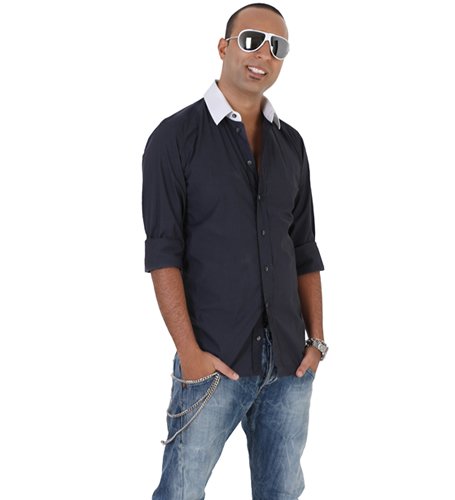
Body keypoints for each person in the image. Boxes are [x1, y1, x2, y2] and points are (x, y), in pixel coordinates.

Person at [142, 3, 328, 499]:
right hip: (212, 362)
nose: (264, 54)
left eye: (277, 47)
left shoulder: (292, 145)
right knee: (180, 492)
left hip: (290, 365)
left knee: (282, 493)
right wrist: (189, 354)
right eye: (251, 40)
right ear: (224, 47)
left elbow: (304, 249)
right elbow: (162, 254)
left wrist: (317, 341)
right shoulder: (174, 138)